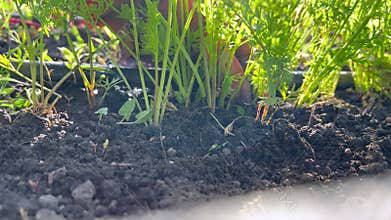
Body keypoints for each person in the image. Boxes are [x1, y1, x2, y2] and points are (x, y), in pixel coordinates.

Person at [94, 0, 252, 102]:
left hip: (228, 54)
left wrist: (243, 103)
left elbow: (222, 54)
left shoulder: (174, 8)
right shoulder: (108, 12)